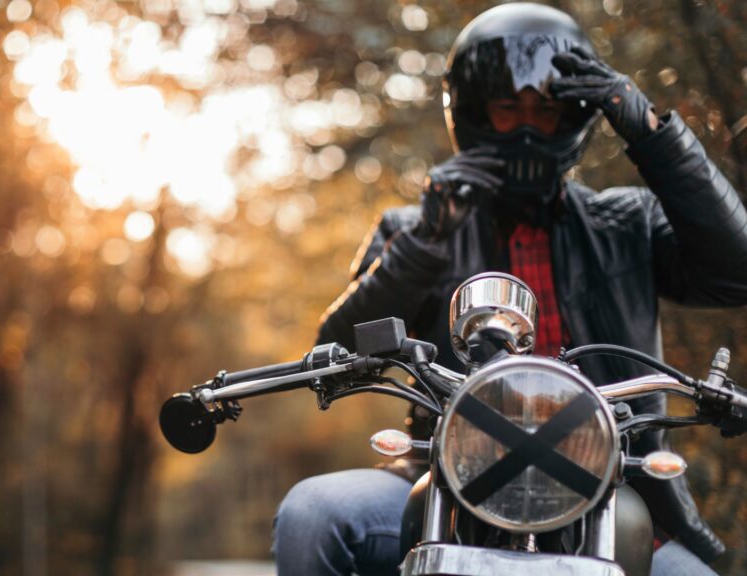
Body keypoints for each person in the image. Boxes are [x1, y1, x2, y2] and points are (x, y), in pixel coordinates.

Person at [272, 4, 747, 576]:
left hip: (606, 482)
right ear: (475, 113)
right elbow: (338, 352)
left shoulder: (629, 223)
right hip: (448, 477)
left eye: (545, 111)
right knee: (312, 513)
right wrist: (427, 242)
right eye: (508, 108)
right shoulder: (414, 230)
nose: (526, 126)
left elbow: (734, 273)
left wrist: (648, 128)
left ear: (575, 115)